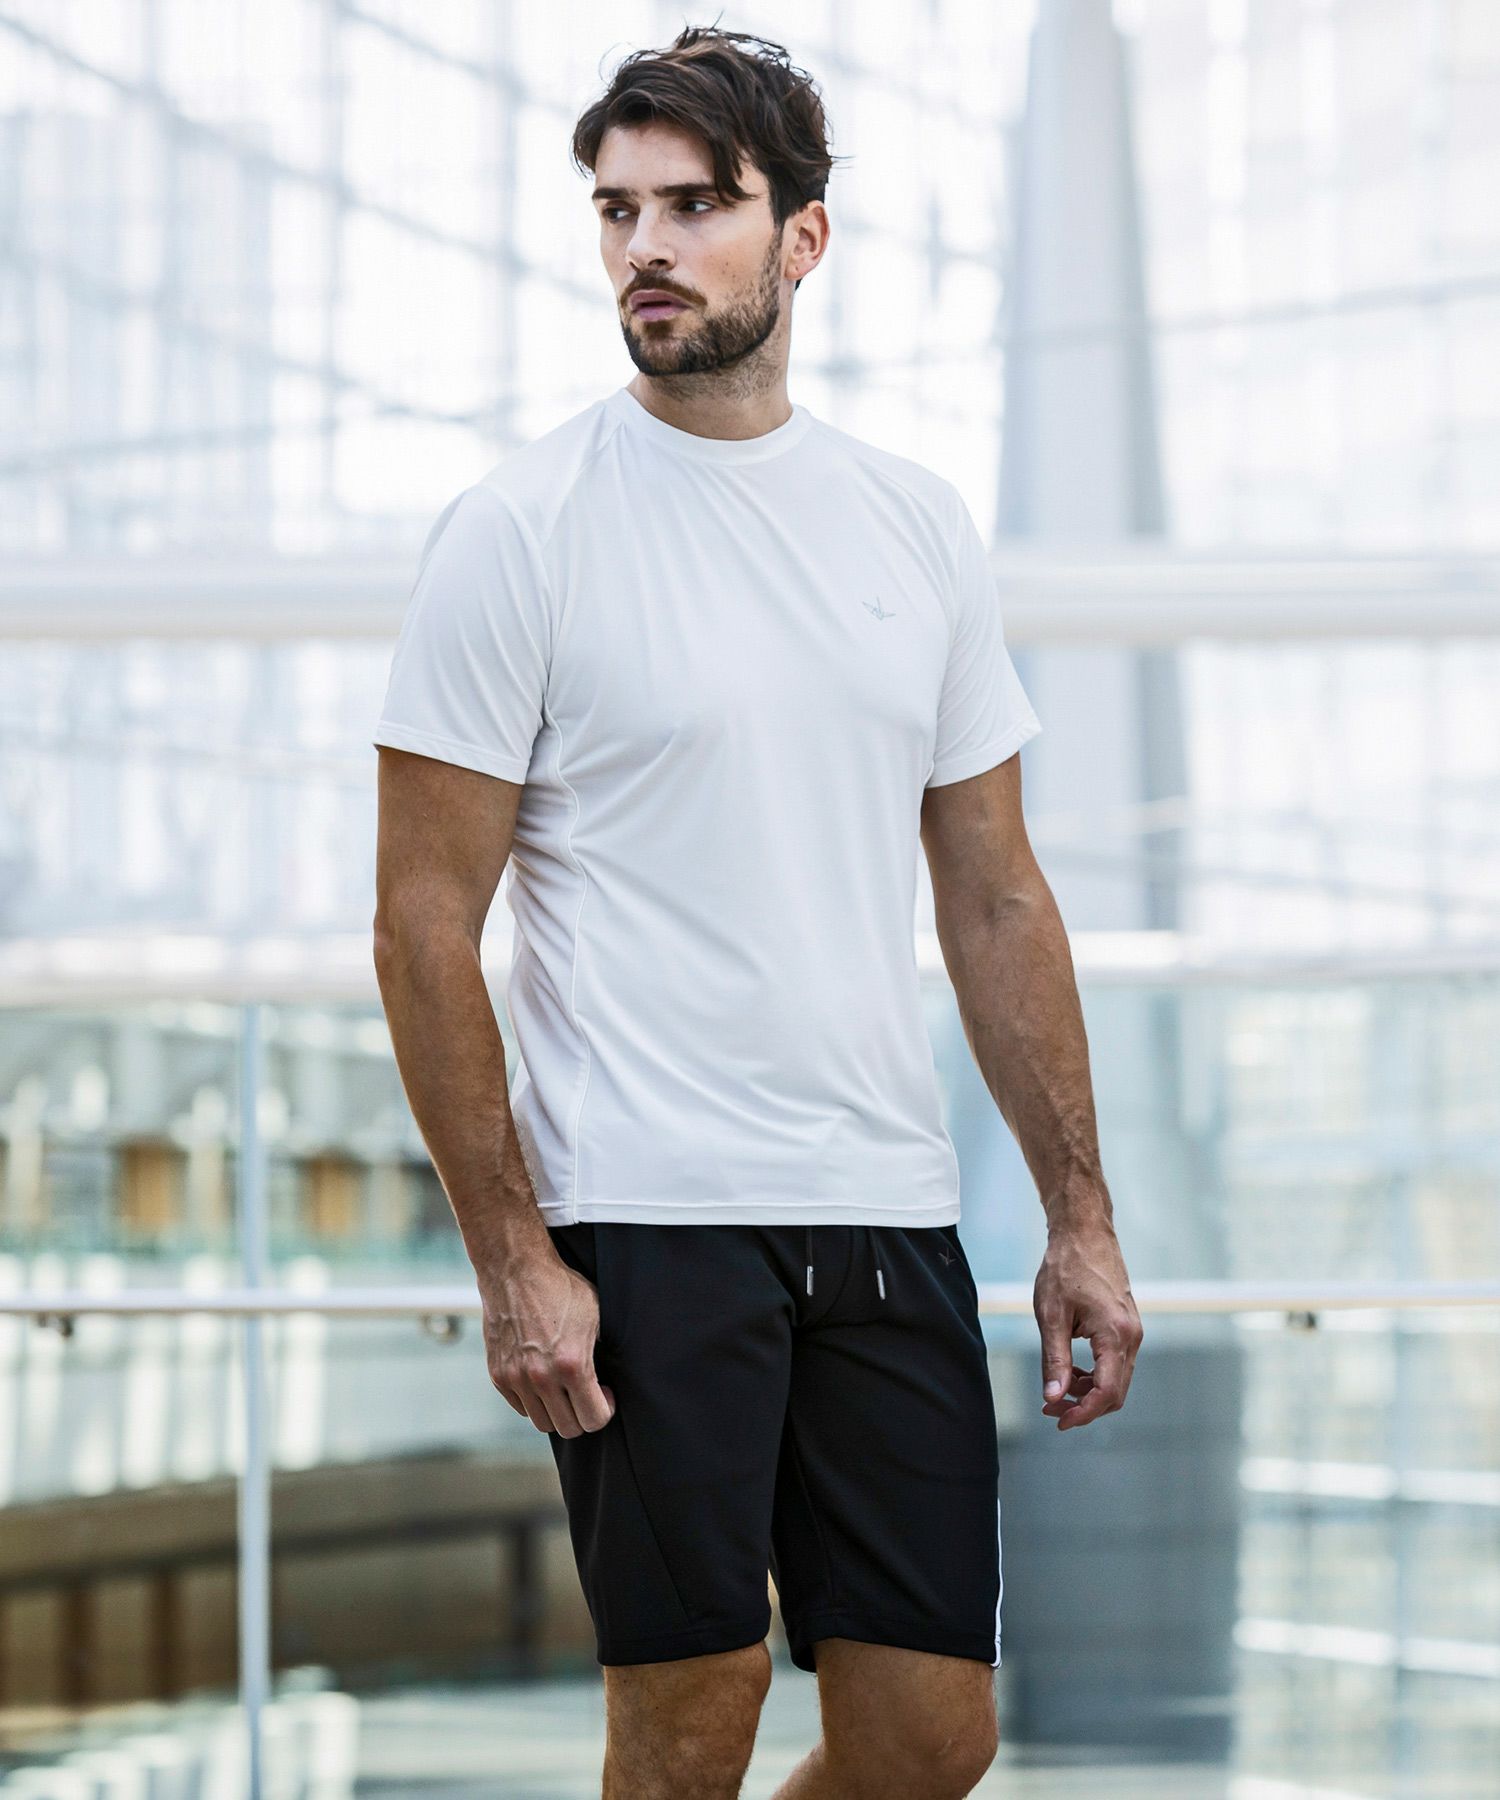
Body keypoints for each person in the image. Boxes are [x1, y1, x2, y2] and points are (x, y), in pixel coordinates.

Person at [372, 23, 1142, 1799]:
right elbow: (421, 927)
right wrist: (515, 1263)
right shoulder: (520, 530)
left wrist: (1079, 1219)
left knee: (930, 1733)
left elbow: (996, 897)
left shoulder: (915, 526)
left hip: (883, 1205)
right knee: (693, 1709)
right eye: (616, 210)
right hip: (645, 1213)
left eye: (694, 206)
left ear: (803, 236)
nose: (645, 246)